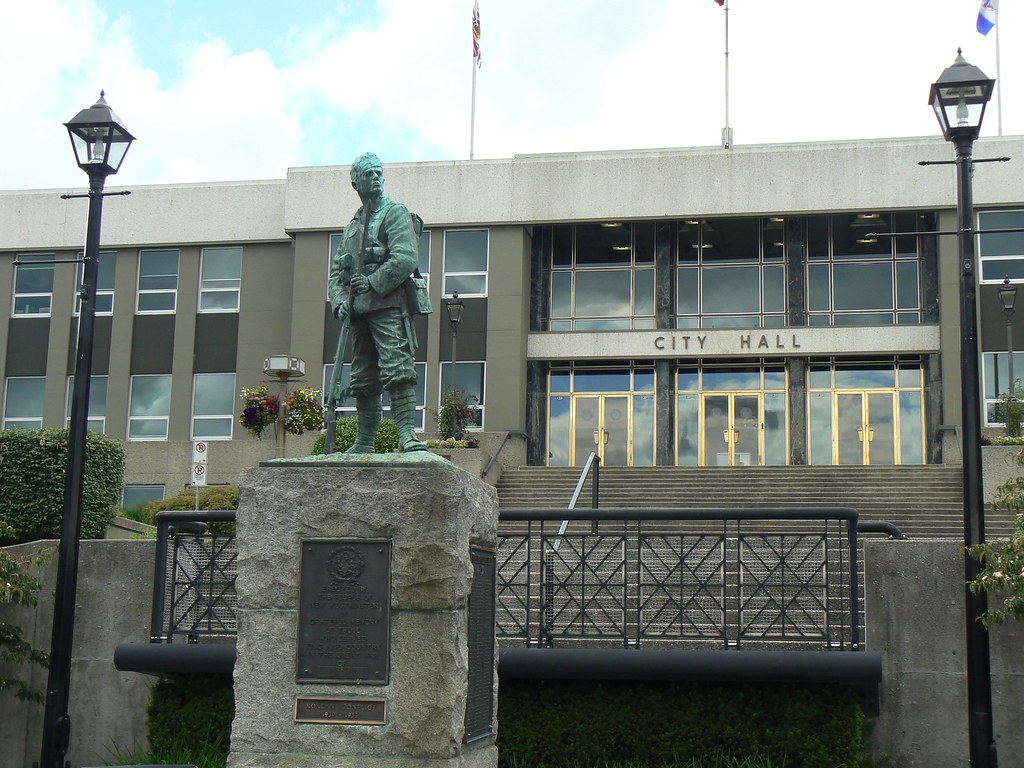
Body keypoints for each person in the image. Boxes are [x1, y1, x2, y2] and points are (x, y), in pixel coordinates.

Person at [328, 152, 426, 453]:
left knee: (398, 369)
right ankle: (365, 441)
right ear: (355, 182)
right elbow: (336, 273)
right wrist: (341, 301)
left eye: (378, 172)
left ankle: (407, 435)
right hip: (358, 314)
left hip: (387, 306)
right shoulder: (352, 226)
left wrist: (371, 281)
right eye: (368, 173)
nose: (375, 177)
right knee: (362, 378)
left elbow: (406, 257)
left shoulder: (394, 212)